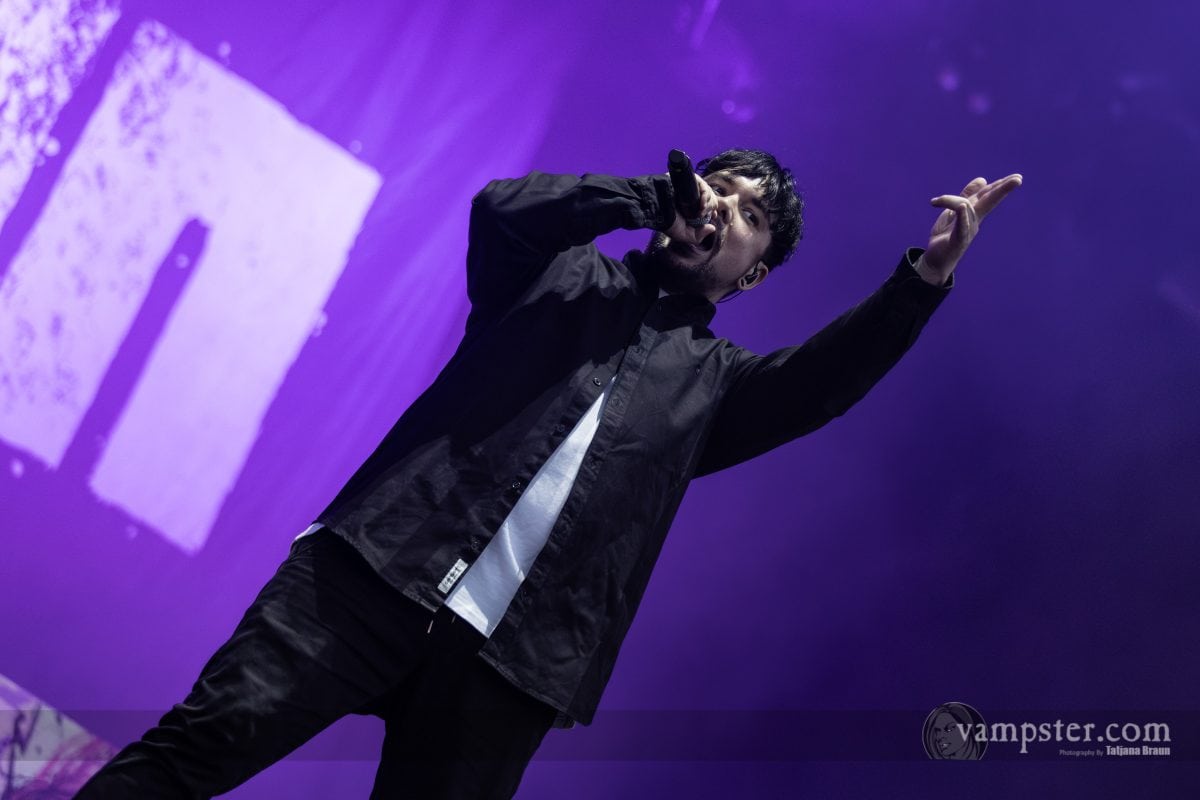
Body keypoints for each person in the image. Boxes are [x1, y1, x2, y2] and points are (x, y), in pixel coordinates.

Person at [76, 149, 1022, 799]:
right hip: (371, 576)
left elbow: (821, 385)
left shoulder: (716, 388)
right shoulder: (562, 275)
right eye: (718, 189)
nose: (723, 209)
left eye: (750, 216)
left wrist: (923, 281)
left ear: (754, 274)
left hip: (510, 669)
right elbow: (502, 211)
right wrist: (644, 199)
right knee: (198, 749)